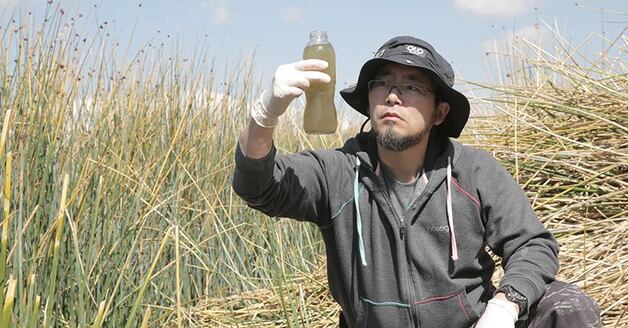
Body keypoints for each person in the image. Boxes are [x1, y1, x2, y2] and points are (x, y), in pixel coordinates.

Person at [232, 36, 602, 328]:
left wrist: (505, 307)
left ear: (440, 112)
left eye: (413, 86)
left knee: (567, 306)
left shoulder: (473, 171)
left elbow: (533, 245)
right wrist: (264, 115)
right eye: (382, 84)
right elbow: (260, 187)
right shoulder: (339, 173)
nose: (393, 95)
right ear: (369, 100)